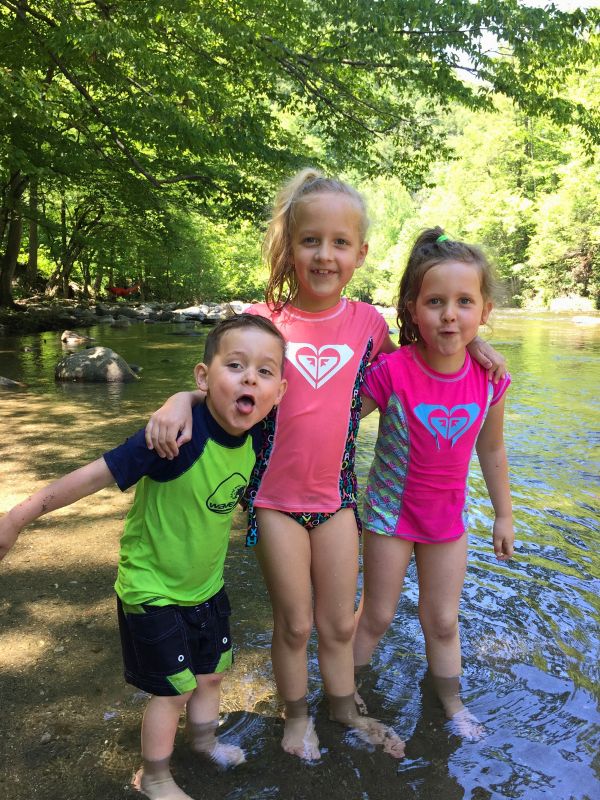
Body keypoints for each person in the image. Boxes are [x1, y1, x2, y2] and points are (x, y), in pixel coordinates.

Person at [143, 170, 506, 762]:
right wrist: (177, 400)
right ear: (289, 246)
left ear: (360, 253)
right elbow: (218, 384)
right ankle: (296, 715)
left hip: (338, 500)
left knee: (339, 626)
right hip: (273, 499)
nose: (325, 254)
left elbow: (426, 362)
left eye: (341, 243)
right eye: (311, 240)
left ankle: (344, 706)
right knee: (296, 625)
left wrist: (477, 346)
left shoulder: (369, 325)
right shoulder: (263, 322)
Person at [0, 314, 288, 800]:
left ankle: (203, 743)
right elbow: (93, 476)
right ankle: (153, 777)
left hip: (205, 586)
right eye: (235, 365)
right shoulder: (172, 437)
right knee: (172, 690)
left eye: (264, 372)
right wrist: (20, 516)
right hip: (150, 587)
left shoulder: (261, 433)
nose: (249, 379)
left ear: (278, 391)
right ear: (203, 376)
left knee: (212, 673)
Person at [352, 228, 514, 740]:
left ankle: (452, 704)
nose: (450, 314)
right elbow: (338, 419)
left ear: (484, 310)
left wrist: (505, 515)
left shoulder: (489, 379)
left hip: (447, 521)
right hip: (388, 517)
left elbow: (491, 448)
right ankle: (344, 692)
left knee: (442, 621)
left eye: (464, 302)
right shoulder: (392, 371)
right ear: (413, 309)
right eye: (436, 301)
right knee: (375, 615)